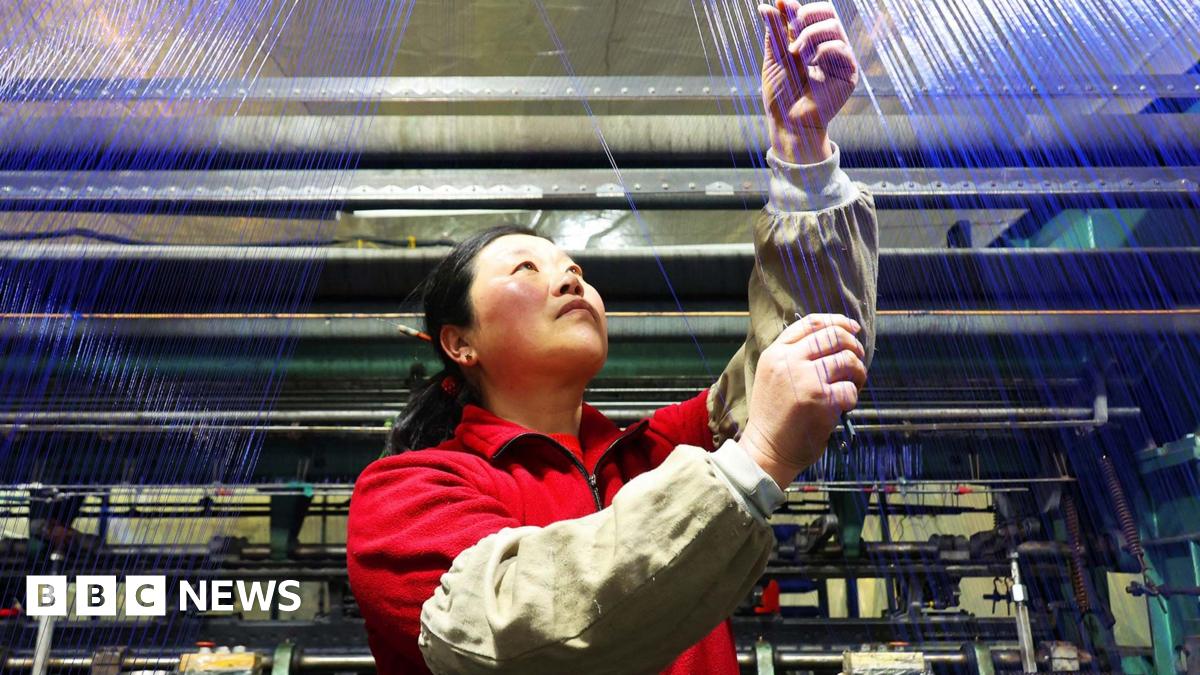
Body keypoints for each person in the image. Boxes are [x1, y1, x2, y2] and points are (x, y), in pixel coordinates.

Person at [346, 2, 878, 673]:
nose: (568, 277)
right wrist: (756, 460)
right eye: (526, 269)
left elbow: (813, 350)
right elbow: (509, 627)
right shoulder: (408, 494)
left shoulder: (664, 453)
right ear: (459, 342)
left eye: (575, 270)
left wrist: (804, 155)